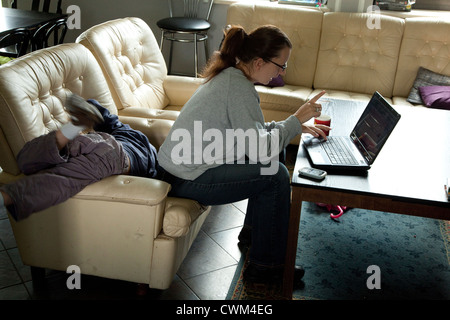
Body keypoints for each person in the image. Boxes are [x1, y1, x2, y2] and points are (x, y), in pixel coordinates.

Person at [156, 25, 330, 286]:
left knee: (276, 151)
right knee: (276, 176)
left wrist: (293, 126)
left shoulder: (233, 77)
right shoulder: (237, 87)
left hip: (184, 169)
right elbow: (259, 147)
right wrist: (295, 120)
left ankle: (255, 233)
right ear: (259, 62)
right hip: (187, 178)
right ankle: (265, 267)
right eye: (281, 65)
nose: (282, 72)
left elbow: (253, 135)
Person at [0, 94, 158, 221]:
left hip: (108, 147)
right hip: (115, 155)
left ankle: (71, 129)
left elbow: (105, 116)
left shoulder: (125, 130)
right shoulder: (150, 155)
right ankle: (6, 196)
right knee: (67, 177)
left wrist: (89, 106)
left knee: (33, 158)